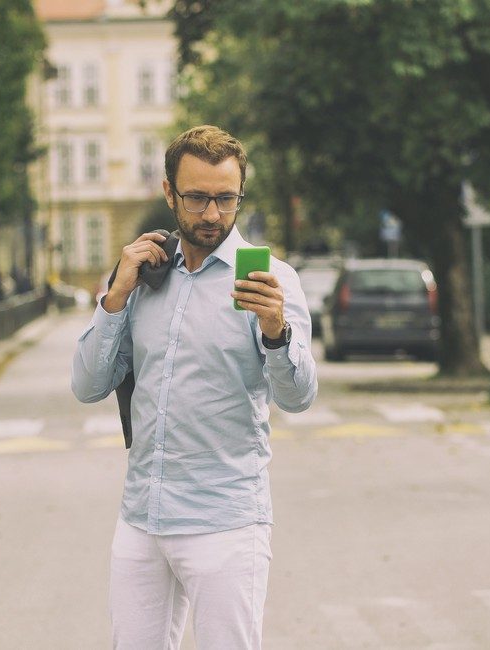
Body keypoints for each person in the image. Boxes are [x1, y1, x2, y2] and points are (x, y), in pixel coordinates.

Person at [71, 125, 317, 649]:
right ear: (169, 194)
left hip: (224, 522)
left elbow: (298, 397)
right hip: (142, 517)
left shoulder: (272, 280)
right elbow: (87, 384)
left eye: (226, 199)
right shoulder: (143, 278)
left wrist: (277, 333)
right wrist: (116, 293)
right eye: (198, 197)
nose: (212, 214)